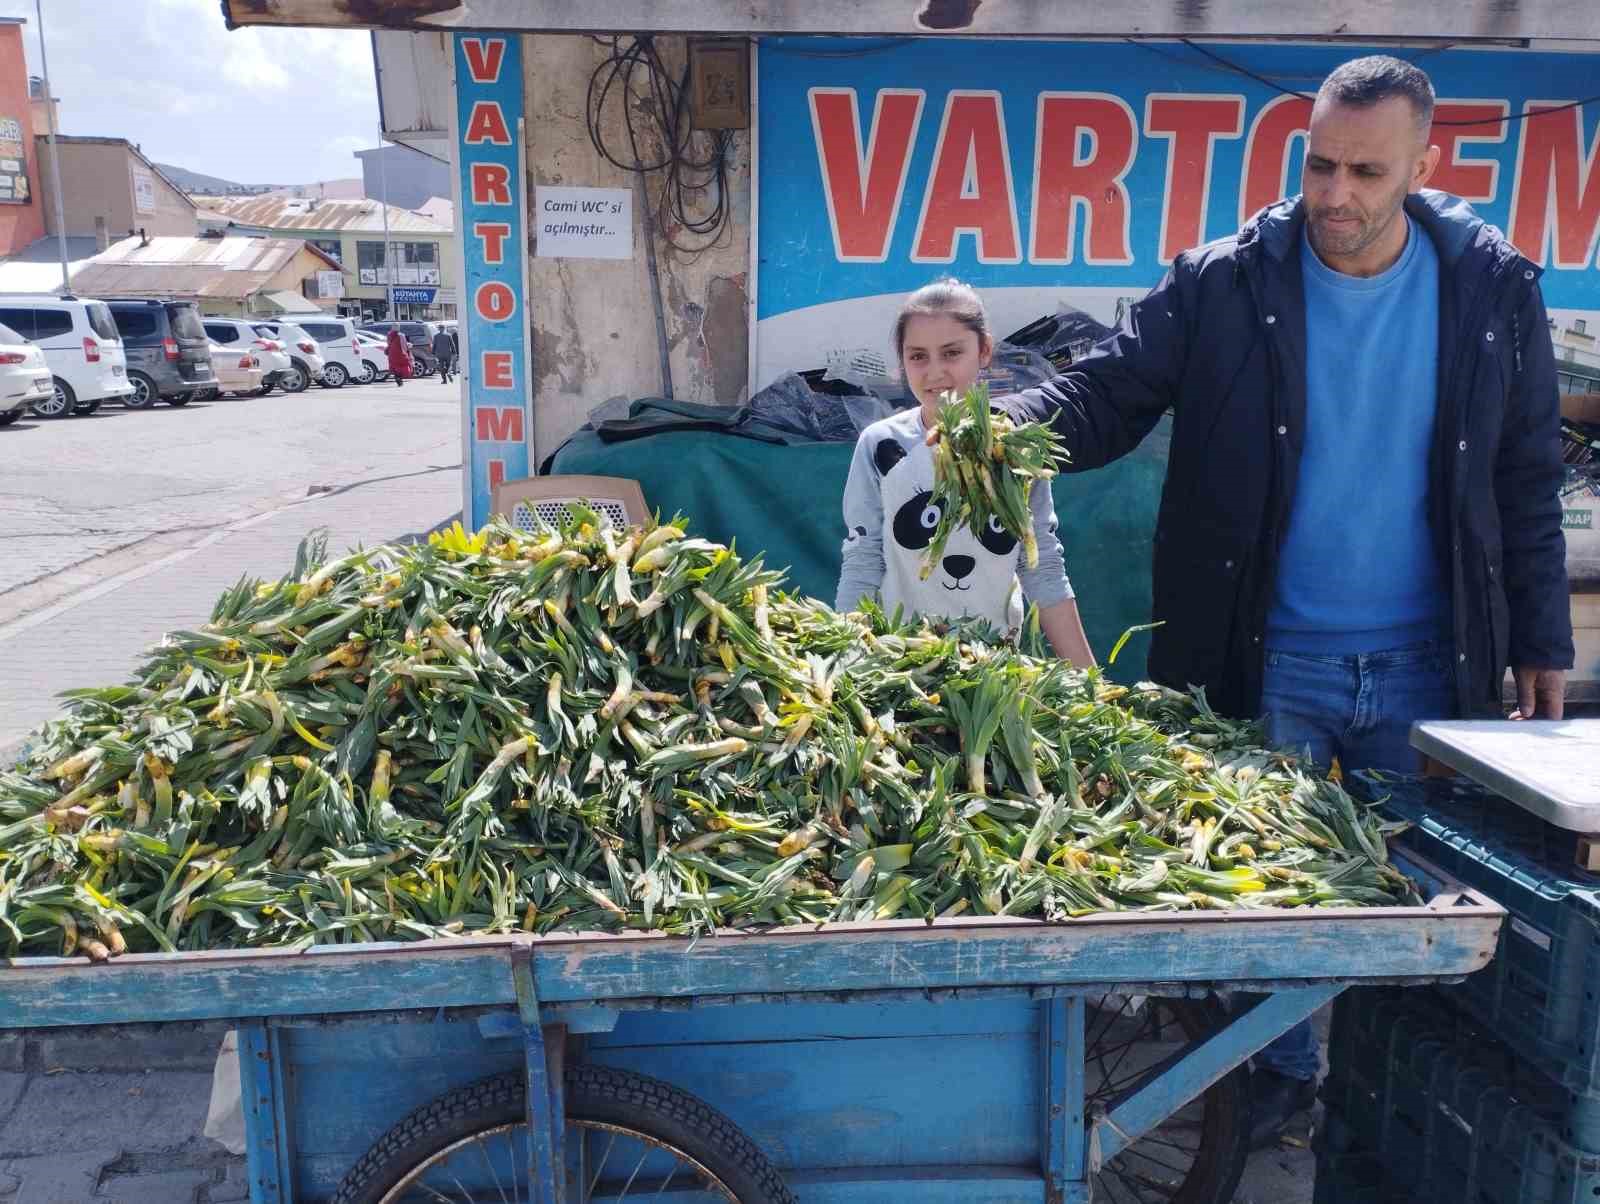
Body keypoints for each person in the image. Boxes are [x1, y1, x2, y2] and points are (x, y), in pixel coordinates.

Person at [998, 55, 1574, 1149]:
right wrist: (999, 421)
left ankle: (1391, 1113)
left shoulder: (1489, 285)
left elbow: (1522, 472)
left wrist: (1542, 631)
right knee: (1263, 906)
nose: (1336, 195)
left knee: (1413, 913)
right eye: (1319, 165)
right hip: (1265, 657)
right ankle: (1272, 1090)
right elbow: (1109, 388)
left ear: (1423, 164)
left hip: (1427, 662)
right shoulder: (1224, 280)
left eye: (1365, 170)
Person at [836, 279, 1096, 667]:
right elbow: (863, 561)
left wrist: (1091, 683)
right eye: (918, 356)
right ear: (902, 360)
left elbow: (1040, 566)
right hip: (900, 666)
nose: (935, 371)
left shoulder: (1016, 449)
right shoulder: (881, 444)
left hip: (993, 668)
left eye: (952, 353)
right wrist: (840, 664)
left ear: (984, 350)